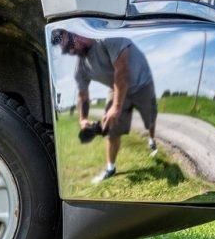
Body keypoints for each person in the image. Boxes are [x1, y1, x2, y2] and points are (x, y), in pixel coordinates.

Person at [52, 29, 158, 183]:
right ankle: (110, 168)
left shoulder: (107, 37)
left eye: (70, 44)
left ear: (76, 30)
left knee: (150, 120)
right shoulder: (81, 67)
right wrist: (82, 119)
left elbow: (122, 70)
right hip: (115, 88)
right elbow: (82, 95)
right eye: (68, 51)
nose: (72, 50)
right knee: (111, 129)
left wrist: (116, 107)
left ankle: (152, 140)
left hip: (142, 83)